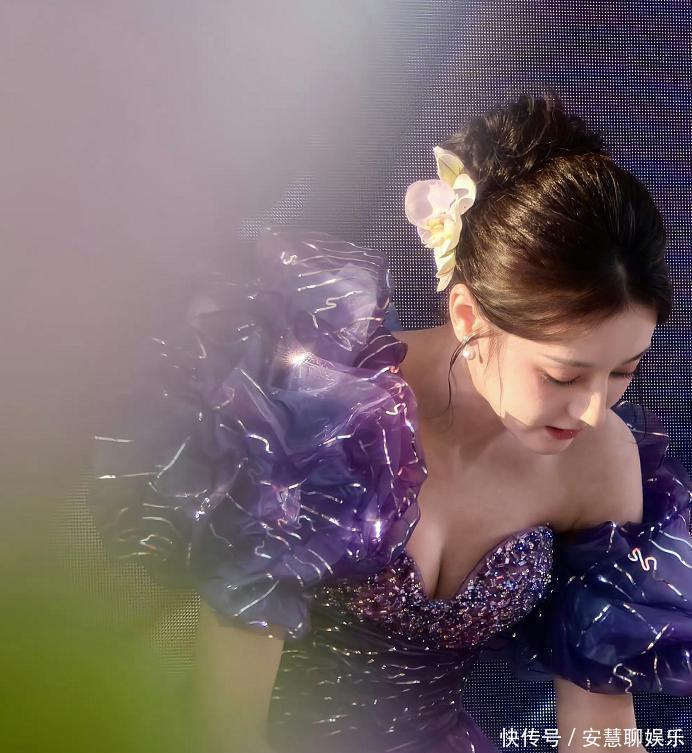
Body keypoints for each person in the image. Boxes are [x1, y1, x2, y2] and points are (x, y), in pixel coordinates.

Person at [89, 93, 692, 753]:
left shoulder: (600, 461)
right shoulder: (325, 410)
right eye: (563, 376)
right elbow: (226, 726)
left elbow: (599, 727)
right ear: (468, 317)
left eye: (623, 371)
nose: (593, 409)